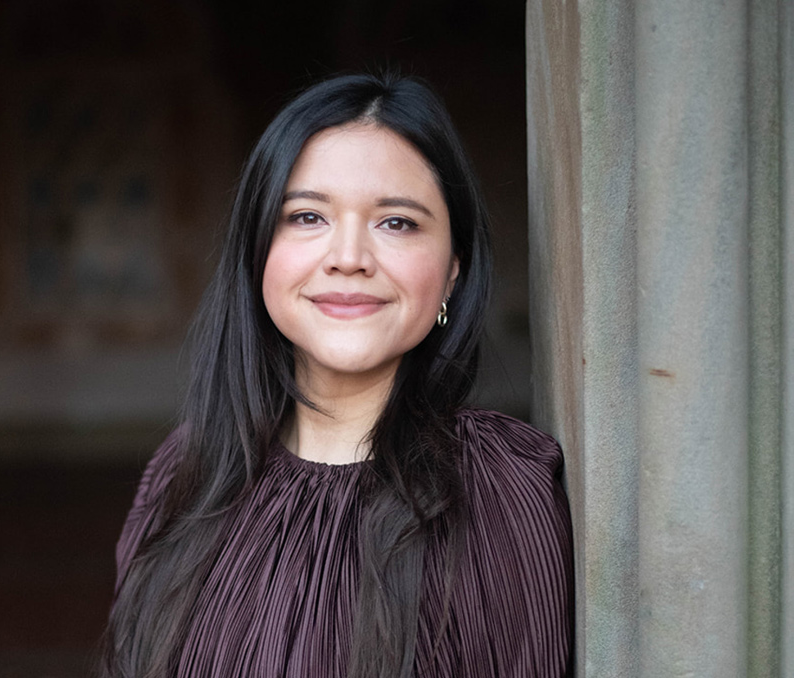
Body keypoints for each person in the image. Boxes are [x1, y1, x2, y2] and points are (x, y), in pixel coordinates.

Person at [98, 72, 573, 678]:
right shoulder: (185, 472)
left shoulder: (497, 488)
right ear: (257, 251)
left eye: (397, 222)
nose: (349, 257)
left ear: (453, 270)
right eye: (306, 217)